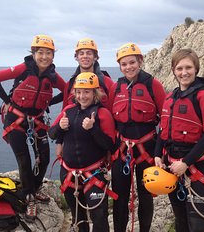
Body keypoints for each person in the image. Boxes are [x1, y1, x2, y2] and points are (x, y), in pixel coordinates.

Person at [0, 34, 66, 221]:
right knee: (23, 159)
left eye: (48, 53)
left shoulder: (53, 76)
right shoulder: (23, 69)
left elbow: (68, 91)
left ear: (53, 56)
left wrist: (49, 103)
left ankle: (33, 189)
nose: (44, 57)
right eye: (40, 52)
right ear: (33, 53)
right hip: (15, 119)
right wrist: (7, 101)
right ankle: (28, 197)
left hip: (36, 121)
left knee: (45, 158)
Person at [154, 48, 204, 232]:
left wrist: (185, 163)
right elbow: (163, 130)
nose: (184, 73)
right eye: (179, 68)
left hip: (196, 167)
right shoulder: (170, 97)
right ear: (174, 70)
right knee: (180, 217)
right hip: (172, 167)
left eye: (188, 67)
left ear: (196, 69)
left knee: (197, 220)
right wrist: (157, 155)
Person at [108, 43, 166, 232]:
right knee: (120, 196)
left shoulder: (153, 84)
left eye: (132, 62)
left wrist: (160, 152)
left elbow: (165, 119)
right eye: (124, 64)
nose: (128, 67)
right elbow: (108, 118)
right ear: (120, 67)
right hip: (122, 149)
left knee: (146, 194)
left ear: (140, 62)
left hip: (147, 148)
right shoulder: (116, 87)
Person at [48, 72, 116, 232]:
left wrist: (93, 129)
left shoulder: (102, 113)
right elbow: (52, 133)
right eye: (78, 92)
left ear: (95, 93)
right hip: (69, 174)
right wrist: (59, 127)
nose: (82, 96)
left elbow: (110, 145)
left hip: (94, 174)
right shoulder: (68, 111)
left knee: (99, 217)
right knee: (78, 217)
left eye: (86, 92)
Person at [56, 38, 114, 158]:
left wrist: (110, 149)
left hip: (99, 145)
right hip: (74, 144)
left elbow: (112, 116)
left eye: (89, 53)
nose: (85, 56)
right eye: (81, 53)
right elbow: (64, 114)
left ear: (95, 57)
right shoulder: (70, 84)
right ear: (76, 57)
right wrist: (59, 142)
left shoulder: (107, 83)